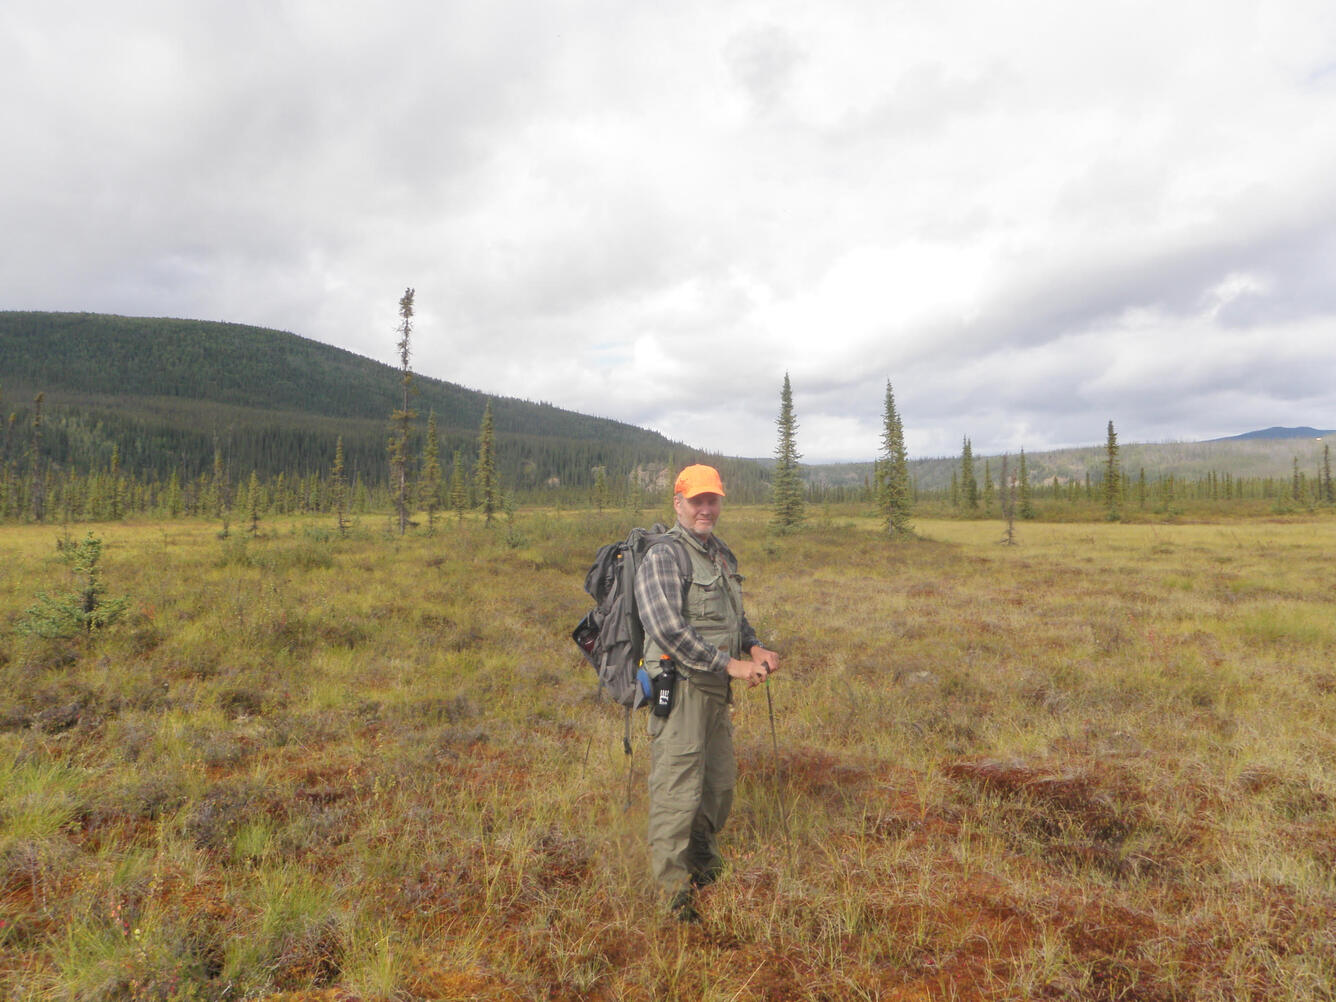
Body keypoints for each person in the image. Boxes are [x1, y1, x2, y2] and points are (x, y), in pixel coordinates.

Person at [634, 463, 779, 921]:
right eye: (696, 500)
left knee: (717, 786)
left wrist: (753, 646)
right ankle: (672, 893)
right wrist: (731, 664)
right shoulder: (663, 557)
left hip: (716, 689)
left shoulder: (721, 555)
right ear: (678, 504)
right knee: (677, 790)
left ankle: (703, 864)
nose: (705, 508)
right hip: (680, 691)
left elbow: (734, 619)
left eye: (712, 499)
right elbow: (669, 630)